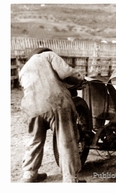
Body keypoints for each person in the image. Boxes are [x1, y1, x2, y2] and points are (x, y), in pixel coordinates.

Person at [19, 48, 85, 182]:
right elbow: (66, 73)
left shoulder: (24, 69)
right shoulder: (48, 55)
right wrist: (80, 78)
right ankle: (70, 179)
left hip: (31, 107)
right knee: (66, 140)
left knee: (34, 140)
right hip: (56, 103)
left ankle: (29, 174)